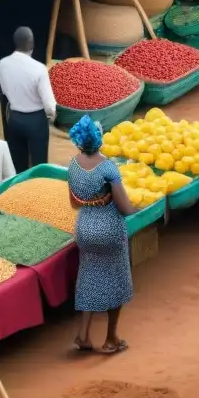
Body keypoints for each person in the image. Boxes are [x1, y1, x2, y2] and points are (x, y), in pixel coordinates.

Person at [67, 115, 135, 355]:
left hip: (84, 227)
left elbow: (74, 202)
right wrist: (134, 206)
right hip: (108, 229)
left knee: (89, 276)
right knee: (116, 279)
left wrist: (92, 202)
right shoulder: (108, 167)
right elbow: (125, 208)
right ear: (99, 139)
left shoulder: (73, 165)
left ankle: (83, 335)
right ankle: (111, 338)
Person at [0, 27, 55, 172]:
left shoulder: (1, 65)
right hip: (37, 120)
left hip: (14, 118)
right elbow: (49, 105)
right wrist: (52, 116)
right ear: (32, 43)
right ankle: (37, 189)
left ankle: (21, 189)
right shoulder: (39, 68)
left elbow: (4, 90)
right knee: (39, 164)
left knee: (18, 164)